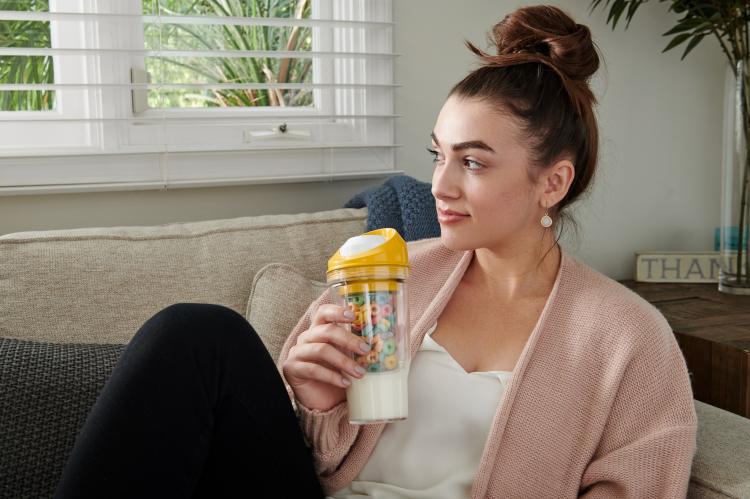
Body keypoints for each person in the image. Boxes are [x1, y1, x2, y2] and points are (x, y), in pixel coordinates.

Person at [54, 5, 698, 499]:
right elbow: (321, 464)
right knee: (196, 332)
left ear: (551, 182)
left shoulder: (629, 340)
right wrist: (315, 399)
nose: (441, 185)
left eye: (472, 162)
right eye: (438, 155)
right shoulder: (390, 277)